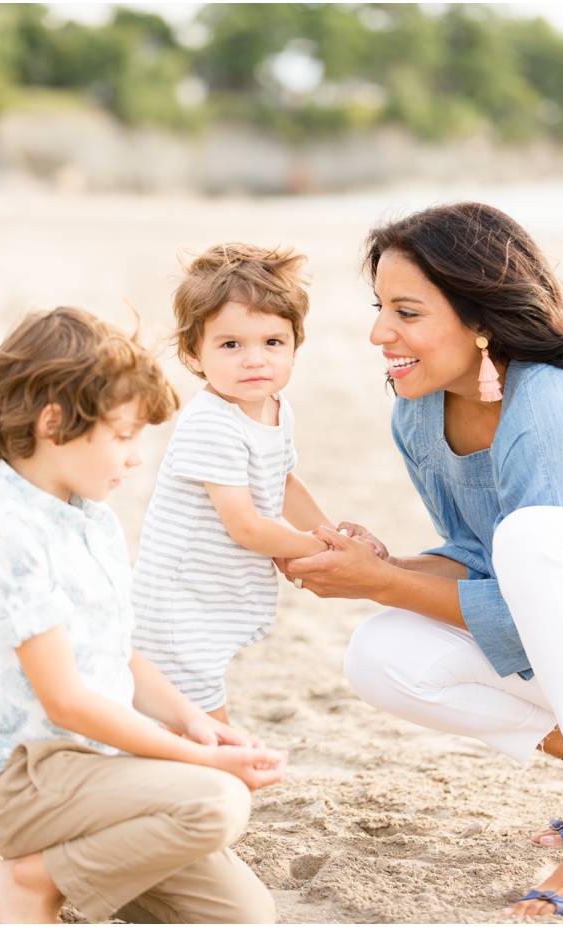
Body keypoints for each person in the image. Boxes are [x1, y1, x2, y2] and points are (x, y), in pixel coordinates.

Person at [279, 202, 563, 917]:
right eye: (380, 307)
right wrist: (374, 569)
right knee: (378, 653)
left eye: (407, 312)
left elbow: (544, 578)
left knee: (531, 539)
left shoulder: (552, 409)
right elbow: (478, 560)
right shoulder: (417, 411)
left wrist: (384, 580)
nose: (379, 333)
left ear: (479, 316)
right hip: (544, 632)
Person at [0, 306, 287, 923]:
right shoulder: (5, 530)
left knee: (246, 916)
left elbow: (121, 655)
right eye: (123, 436)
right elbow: (66, 702)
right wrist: (202, 763)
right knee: (215, 802)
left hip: (103, 779)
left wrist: (195, 724)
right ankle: (31, 881)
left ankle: (71, 868)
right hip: (28, 781)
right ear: (54, 422)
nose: (137, 456)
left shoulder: (94, 519)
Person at [131, 243, 364, 723]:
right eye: (231, 345)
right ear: (194, 355)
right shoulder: (211, 424)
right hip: (179, 600)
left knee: (178, 708)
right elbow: (246, 527)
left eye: (272, 343)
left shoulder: (277, 409)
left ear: (296, 346)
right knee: (200, 714)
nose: (255, 360)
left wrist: (331, 535)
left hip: (213, 593)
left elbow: (283, 482)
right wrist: (313, 546)